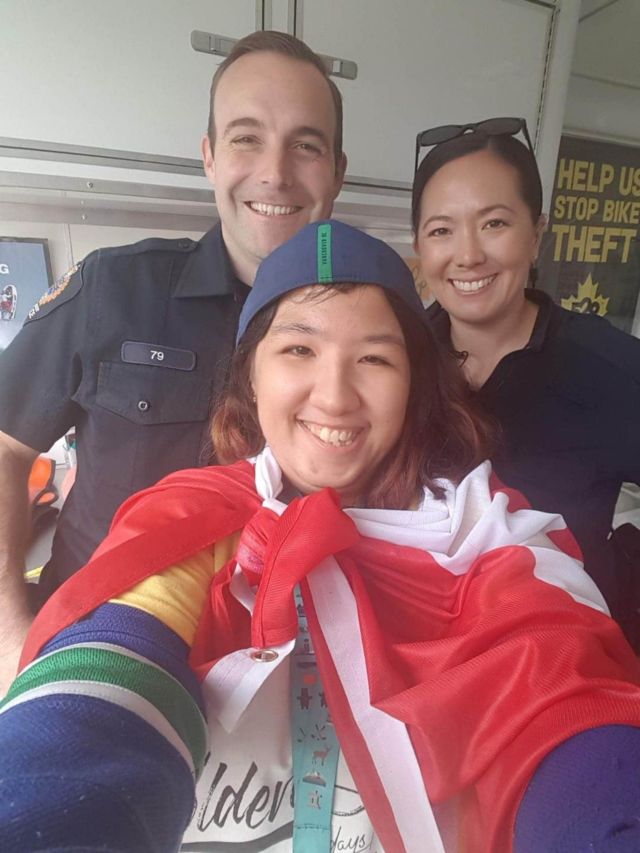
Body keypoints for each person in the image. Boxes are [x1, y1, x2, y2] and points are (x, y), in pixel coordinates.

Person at [2, 220, 640, 853]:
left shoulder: (486, 536)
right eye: (299, 350)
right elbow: (106, 681)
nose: (335, 398)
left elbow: (564, 698)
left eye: (375, 358)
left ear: (414, 386)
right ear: (251, 374)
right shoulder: (187, 517)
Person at [0, 30, 347, 692]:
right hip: (88, 666)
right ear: (210, 156)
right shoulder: (112, 288)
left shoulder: (368, 328)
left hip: (278, 689)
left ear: (337, 170)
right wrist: (8, 633)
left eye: (306, 145)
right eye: (246, 138)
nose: (275, 172)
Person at [411, 117, 640, 629]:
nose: (468, 255)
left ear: (536, 234)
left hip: (560, 655)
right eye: (442, 230)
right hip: (419, 650)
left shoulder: (604, 364)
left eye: (494, 223)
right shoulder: (397, 360)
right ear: (420, 247)